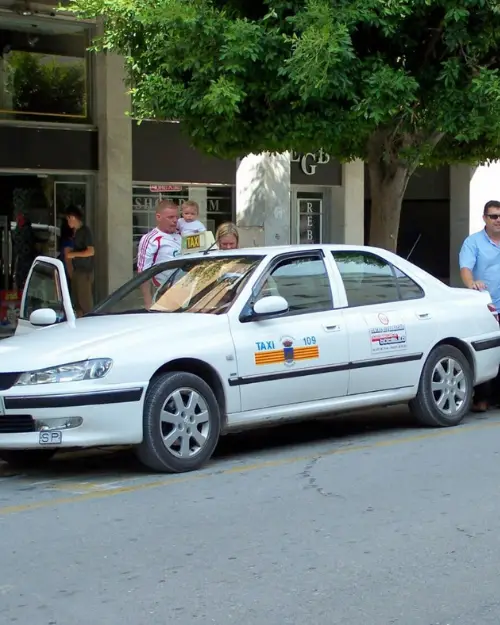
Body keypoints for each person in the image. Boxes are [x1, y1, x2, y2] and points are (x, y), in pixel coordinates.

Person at [459, 199, 500, 412]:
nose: (498, 220)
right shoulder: (473, 242)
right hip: (487, 308)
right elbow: (465, 268)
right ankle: (481, 398)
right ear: (484, 218)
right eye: (493, 216)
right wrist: (471, 284)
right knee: (487, 351)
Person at [137, 200, 182, 308]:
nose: (175, 220)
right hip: (164, 292)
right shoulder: (150, 239)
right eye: (170, 217)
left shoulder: (182, 234)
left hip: (188, 291)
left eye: (177, 217)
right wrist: (148, 302)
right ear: (158, 217)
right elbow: (143, 273)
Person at [65, 206, 94, 317]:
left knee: (85, 303)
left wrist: (73, 254)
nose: (68, 222)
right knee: (77, 303)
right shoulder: (75, 232)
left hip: (84, 271)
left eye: (68, 218)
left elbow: (91, 251)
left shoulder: (85, 231)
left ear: (73, 217)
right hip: (77, 271)